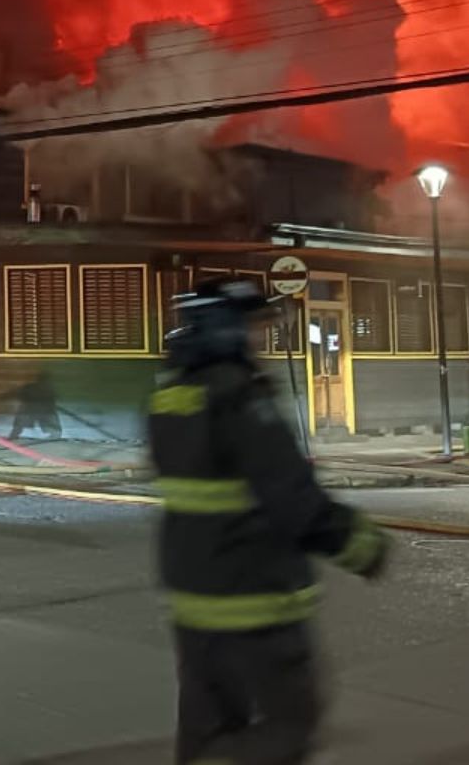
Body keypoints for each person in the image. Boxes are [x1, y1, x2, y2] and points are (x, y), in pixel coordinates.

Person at [149, 277, 389, 764]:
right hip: (255, 600)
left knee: (207, 725)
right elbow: (292, 497)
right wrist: (361, 545)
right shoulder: (241, 399)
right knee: (289, 724)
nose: (261, 339)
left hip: (195, 601)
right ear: (225, 330)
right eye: (253, 327)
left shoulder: (169, 399)